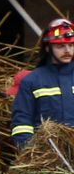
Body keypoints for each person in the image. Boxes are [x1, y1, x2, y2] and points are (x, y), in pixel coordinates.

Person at [12, 19, 74, 149]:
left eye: (71, 45)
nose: (67, 50)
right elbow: (22, 121)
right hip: (48, 155)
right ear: (47, 48)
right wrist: (29, 150)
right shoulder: (32, 81)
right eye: (60, 46)